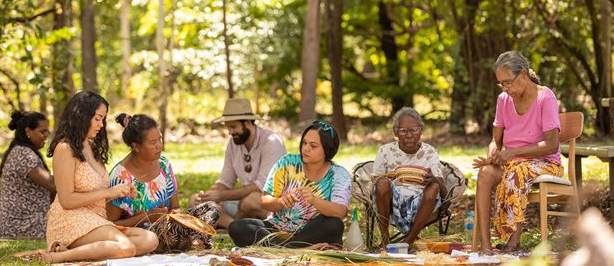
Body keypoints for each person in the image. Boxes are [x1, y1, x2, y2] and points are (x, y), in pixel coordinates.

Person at [18, 91, 158, 263]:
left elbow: (98, 193)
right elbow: (66, 200)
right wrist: (108, 192)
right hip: (70, 220)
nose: (100, 124)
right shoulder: (65, 149)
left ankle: (79, 250)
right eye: (97, 118)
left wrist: (120, 192)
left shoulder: (93, 149)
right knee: (125, 247)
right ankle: (56, 257)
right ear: (82, 116)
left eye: (102, 119)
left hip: (96, 219)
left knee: (150, 239)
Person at [472, 51, 562, 253]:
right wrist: (493, 154)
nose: (505, 88)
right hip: (512, 162)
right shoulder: (503, 99)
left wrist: (513, 153)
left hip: (545, 162)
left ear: (523, 74)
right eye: (501, 84)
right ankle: (486, 247)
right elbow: (496, 140)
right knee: (485, 174)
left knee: (516, 172)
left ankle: (512, 242)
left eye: (507, 82)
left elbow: (552, 145)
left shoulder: (545, 98)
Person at [107, 113, 220, 252]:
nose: (159, 146)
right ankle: (193, 242)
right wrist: (146, 217)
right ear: (136, 146)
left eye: (160, 139)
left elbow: (175, 208)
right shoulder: (120, 176)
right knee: (165, 235)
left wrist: (176, 217)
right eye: (153, 143)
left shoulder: (163, 165)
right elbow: (111, 225)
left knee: (212, 208)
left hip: (171, 228)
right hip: (145, 235)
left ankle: (194, 242)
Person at [228, 120, 351, 248]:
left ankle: (280, 247)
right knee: (237, 227)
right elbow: (265, 201)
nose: (306, 148)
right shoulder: (287, 162)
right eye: (304, 143)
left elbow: (340, 211)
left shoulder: (339, 174)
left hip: (311, 232)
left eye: (313, 146)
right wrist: (280, 202)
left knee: (335, 225)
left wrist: (314, 200)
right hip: (277, 229)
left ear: (327, 149)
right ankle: (291, 247)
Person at [190, 98, 286, 228]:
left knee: (251, 201)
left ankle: (228, 224)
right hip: (241, 204)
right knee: (194, 201)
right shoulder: (234, 142)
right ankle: (233, 226)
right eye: (228, 127)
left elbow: (262, 187)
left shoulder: (271, 142)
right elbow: (226, 181)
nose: (230, 132)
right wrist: (208, 195)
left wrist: (221, 195)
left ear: (247, 122)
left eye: (233, 126)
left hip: (271, 203)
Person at [372, 107, 446, 248]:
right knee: (381, 183)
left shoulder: (429, 152)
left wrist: (433, 179)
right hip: (391, 201)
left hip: (422, 201)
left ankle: (408, 242)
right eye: (403, 131)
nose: (409, 135)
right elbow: (375, 183)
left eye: (414, 130)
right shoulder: (385, 151)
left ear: (421, 130)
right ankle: (385, 240)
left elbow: (444, 193)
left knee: (434, 187)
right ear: (395, 132)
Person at [0, 110, 55, 239]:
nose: (46, 135)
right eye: (42, 131)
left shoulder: (22, 151)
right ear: (28, 131)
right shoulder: (24, 155)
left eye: (47, 131)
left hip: (28, 221)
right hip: (21, 225)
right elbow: (52, 185)